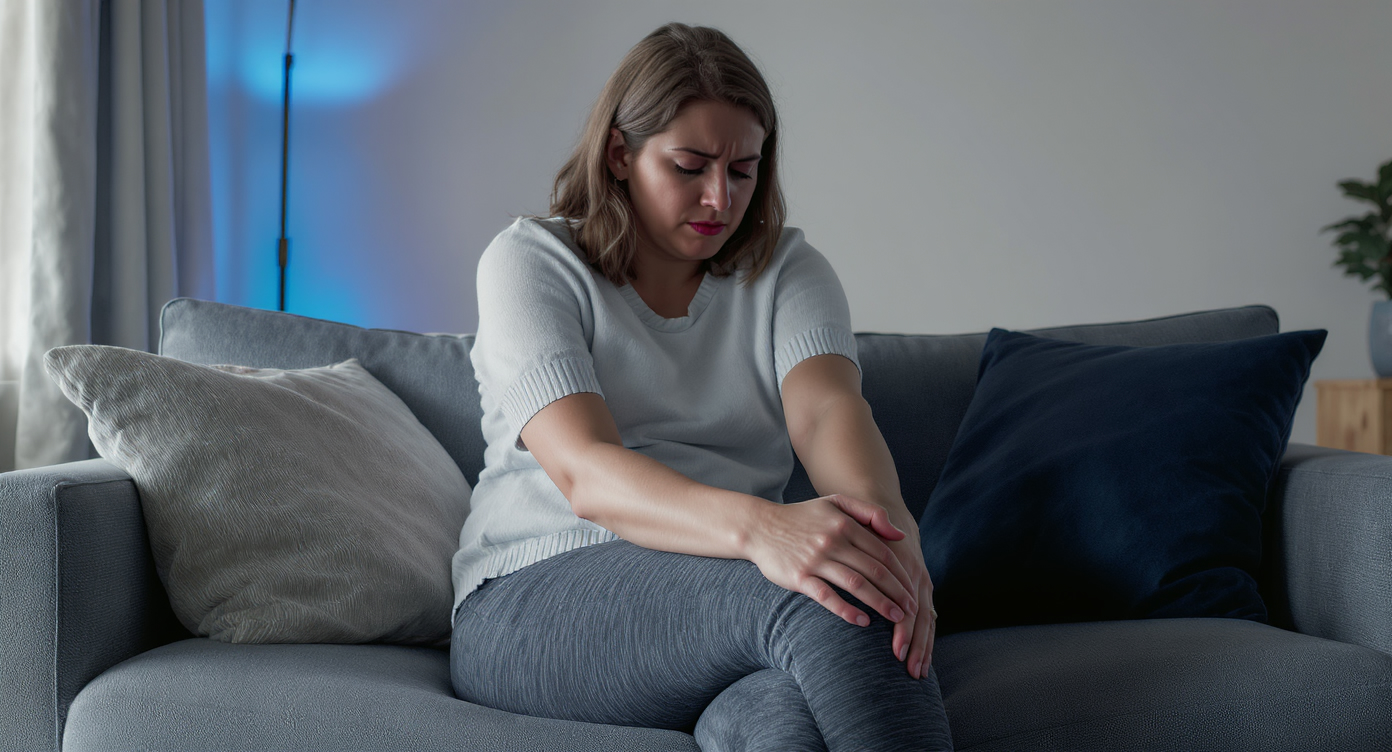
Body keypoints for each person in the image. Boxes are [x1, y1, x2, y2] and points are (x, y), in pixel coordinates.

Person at [449, 22, 954, 752]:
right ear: (621, 154)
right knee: (839, 597)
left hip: (717, 601)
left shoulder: (787, 270)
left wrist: (892, 538)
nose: (720, 197)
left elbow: (827, 413)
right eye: (691, 166)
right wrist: (764, 527)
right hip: (536, 592)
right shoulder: (529, 262)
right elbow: (586, 471)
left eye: (743, 170)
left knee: (787, 720)